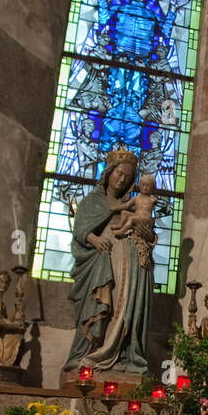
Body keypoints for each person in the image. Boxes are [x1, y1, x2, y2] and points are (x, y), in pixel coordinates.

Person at [63, 148, 156, 375]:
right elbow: (81, 228)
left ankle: (124, 356)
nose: (121, 179)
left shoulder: (134, 203)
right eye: (118, 173)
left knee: (128, 307)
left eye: (127, 177)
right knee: (103, 304)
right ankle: (87, 354)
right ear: (109, 172)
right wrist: (93, 239)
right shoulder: (94, 200)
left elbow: (149, 233)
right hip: (104, 262)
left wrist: (146, 234)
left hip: (133, 265)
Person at [112, 174, 160, 242]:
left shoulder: (152, 199)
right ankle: (120, 225)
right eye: (143, 185)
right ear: (140, 186)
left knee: (131, 219)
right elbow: (126, 206)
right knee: (124, 213)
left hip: (145, 219)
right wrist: (115, 208)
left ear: (152, 188)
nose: (145, 188)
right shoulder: (136, 198)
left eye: (148, 186)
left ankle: (121, 231)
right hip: (137, 216)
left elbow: (156, 203)